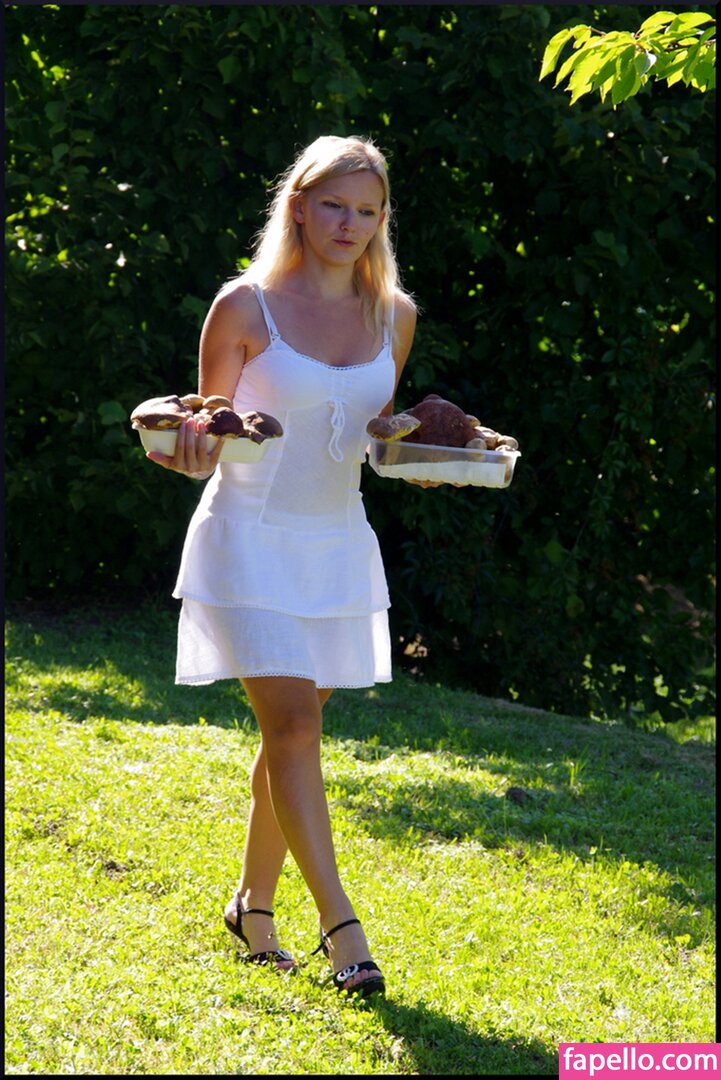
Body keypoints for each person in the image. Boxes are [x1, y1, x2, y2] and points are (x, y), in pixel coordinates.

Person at [146, 135, 418, 998]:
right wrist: (185, 451)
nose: (349, 223)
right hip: (248, 538)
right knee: (295, 727)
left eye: (366, 210)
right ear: (297, 206)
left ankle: (251, 907)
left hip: (337, 546)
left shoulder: (394, 316)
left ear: (381, 219)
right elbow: (206, 430)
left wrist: (435, 457)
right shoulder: (244, 307)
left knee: (289, 734)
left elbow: (372, 437)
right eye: (332, 204)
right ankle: (344, 931)